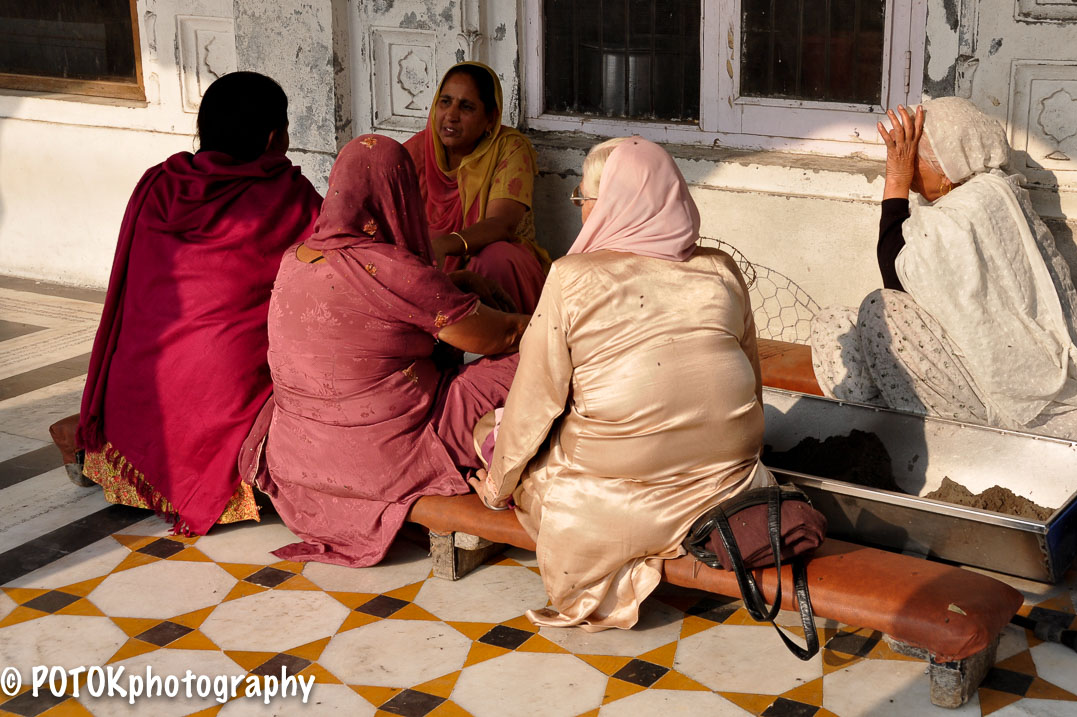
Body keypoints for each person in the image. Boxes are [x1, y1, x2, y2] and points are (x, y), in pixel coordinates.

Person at [469, 137, 775, 630]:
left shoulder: (570, 278)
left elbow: (535, 403)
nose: (582, 211)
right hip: (728, 487)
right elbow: (752, 390)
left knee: (493, 425)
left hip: (607, 507)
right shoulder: (721, 269)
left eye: (584, 199)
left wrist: (496, 486)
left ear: (611, 204)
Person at [810, 97, 1077, 460]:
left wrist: (896, 181)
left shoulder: (976, 205)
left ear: (947, 161)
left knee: (882, 308)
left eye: (911, 155)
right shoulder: (960, 202)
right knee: (832, 324)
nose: (903, 163)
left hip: (1001, 387)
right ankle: (893, 432)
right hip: (963, 362)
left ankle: (934, 444)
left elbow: (895, 280)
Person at [54, 71, 323, 535]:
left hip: (135, 408)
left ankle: (116, 463)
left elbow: (124, 287)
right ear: (274, 137)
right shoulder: (288, 196)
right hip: (223, 413)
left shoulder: (159, 183)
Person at [246, 134, 531, 567]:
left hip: (297, 455)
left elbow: (372, 316)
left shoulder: (296, 258)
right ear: (401, 194)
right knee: (526, 365)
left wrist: (457, 285)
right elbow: (500, 335)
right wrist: (563, 326)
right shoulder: (393, 270)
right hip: (384, 458)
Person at [403, 62, 549, 313]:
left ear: (490, 118)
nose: (451, 115)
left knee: (496, 258)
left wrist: (444, 245)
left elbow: (501, 224)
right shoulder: (415, 151)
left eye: (467, 106)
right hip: (430, 263)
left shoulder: (509, 147)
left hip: (492, 260)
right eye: (445, 102)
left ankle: (500, 341)